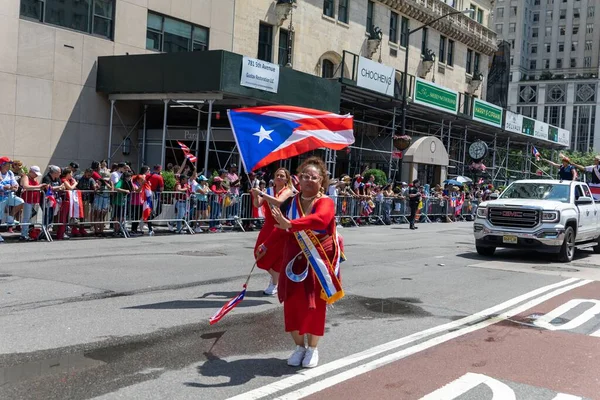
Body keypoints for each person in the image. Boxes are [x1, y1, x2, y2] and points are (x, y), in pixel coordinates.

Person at [255, 157, 345, 368]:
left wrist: (291, 224)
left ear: (321, 180)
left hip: (317, 257)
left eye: (313, 177)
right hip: (292, 256)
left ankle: (313, 348)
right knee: (293, 303)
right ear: (298, 179)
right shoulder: (292, 203)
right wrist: (265, 245)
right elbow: (280, 227)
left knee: (314, 305)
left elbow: (321, 220)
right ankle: (299, 347)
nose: (308, 180)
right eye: (304, 176)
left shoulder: (326, 202)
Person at [251, 168, 294, 296]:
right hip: (268, 225)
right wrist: (255, 195)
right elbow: (258, 204)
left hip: (281, 225)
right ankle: (277, 279)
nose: (279, 177)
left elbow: (279, 201)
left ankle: (274, 283)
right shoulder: (268, 191)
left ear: (286, 179)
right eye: (277, 175)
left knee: (276, 256)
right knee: (259, 253)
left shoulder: (288, 190)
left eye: (282, 176)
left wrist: (261, 194)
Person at [19, 166, 46, 241]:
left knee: (31, 218)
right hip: (27, 200)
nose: (37, 175)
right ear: (31, 172)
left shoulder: (34, 178)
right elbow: (26, 186)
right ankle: (23, 235)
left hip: (34, 200)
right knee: (26, 218)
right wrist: (38, 186)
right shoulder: (25, 177)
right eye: (35, 173)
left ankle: (28, 233)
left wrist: (40, 188)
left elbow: (34, 187)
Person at [0, 157, 25, 235]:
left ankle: (10, 217)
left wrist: (15, 186)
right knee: (0, 216)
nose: (9, 166)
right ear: (2, 165)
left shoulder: (10, 173)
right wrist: (4, 187)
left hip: (10, 195)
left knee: (20, 202)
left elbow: (14, 182)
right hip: (1, 197)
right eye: (8, 164)